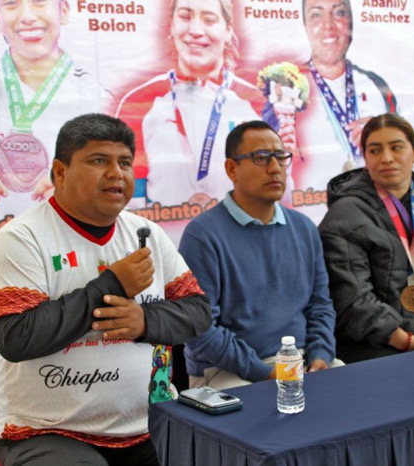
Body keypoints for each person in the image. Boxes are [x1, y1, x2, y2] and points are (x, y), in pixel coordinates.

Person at [0, 114, 211, 465]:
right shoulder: (21, 238)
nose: (116, 173)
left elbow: (197, 311)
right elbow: (16, 336)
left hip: (149, 426)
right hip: (48, 433)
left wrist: (143, 321)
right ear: (59, 172)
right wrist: (113, 285)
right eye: (99, 161)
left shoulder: (146, 232)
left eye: (125, 162)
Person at [179, 120, 341, 389]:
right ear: (232, 168)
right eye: (261, 157)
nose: (275, 167)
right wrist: (263, 373)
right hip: (226, 372)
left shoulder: (304, 228)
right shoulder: (202, 235)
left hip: (301, 360)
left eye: (281, 157)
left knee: (354, 404)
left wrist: (321, 356)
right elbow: (201, 330)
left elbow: (320, 305)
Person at [0, 0, 110, 240]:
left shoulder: (99, 100)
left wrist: (82, 205)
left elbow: (129, 208)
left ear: (64, 11)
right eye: (11, 4)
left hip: (71, 260)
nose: (27, 16)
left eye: (39, 2)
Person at [318, 113, 414, 364]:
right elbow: (351, 297)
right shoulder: (344, 217)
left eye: (396, 147)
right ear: (366, 158)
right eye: (375, 150)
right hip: (377, 348)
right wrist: (406, 341)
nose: (387, 158)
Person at [117, 0, 285, 230]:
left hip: (237, 247)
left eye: (208, 19)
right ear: (172, 26)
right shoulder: (139, 102)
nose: (195, 31)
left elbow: (277, 193)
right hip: (167, 254)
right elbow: (128, 198)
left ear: (228, 30)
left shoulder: (255, 102)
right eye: (185, 16)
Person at [293, 0, 397, 220]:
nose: (328, 24)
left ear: (351, 22)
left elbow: (410, 157)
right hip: (312, 221)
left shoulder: (376, 86)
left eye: (339, 12)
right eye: (316, 15)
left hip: (373, 220)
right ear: (304, 26)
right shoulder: (288, 88)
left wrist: (382, 135)